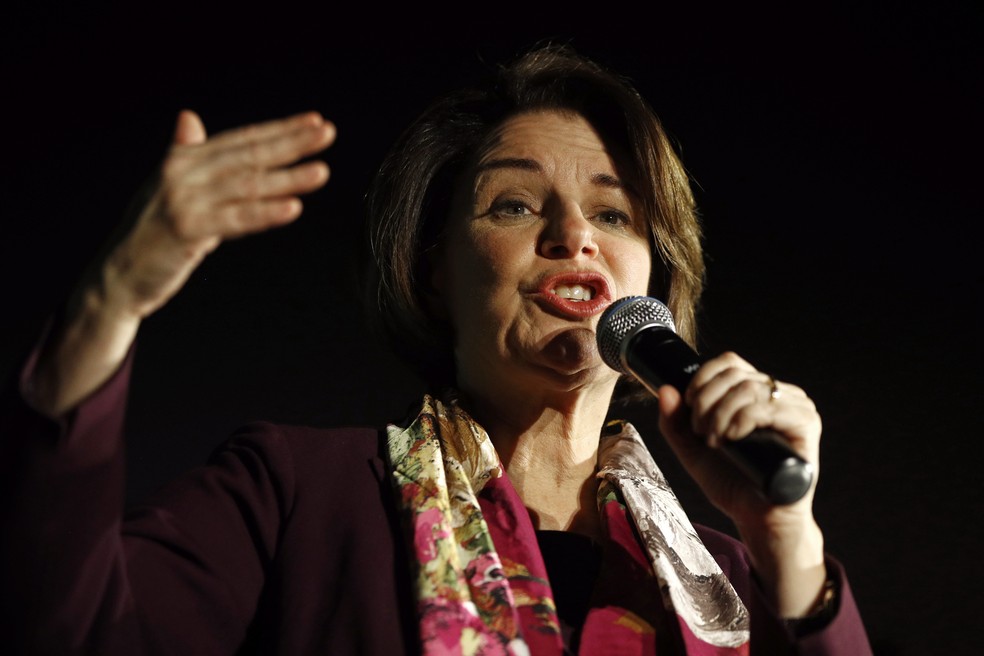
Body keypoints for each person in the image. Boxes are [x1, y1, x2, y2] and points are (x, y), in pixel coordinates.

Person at [0, 44, 873, 654]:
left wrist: (786, 540)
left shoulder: (726, 583)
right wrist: (109, 302)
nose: (576, 236)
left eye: (613, 213)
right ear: (431, 274)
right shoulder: (301, 497)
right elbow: (70, 633)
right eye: (514, 206)